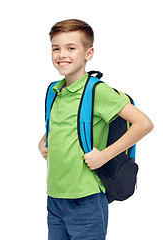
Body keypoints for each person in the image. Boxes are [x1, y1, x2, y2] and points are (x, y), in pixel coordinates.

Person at [38, 19, 153, 240]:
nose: (62, 54)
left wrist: (105, 156)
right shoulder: (54, 90)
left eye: (71, 48)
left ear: (88, 53)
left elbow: (144, 124)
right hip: (54, 197)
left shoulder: (97, 92)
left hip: (86, 199)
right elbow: (59, 122)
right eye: (56, 48)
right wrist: (44, 141)